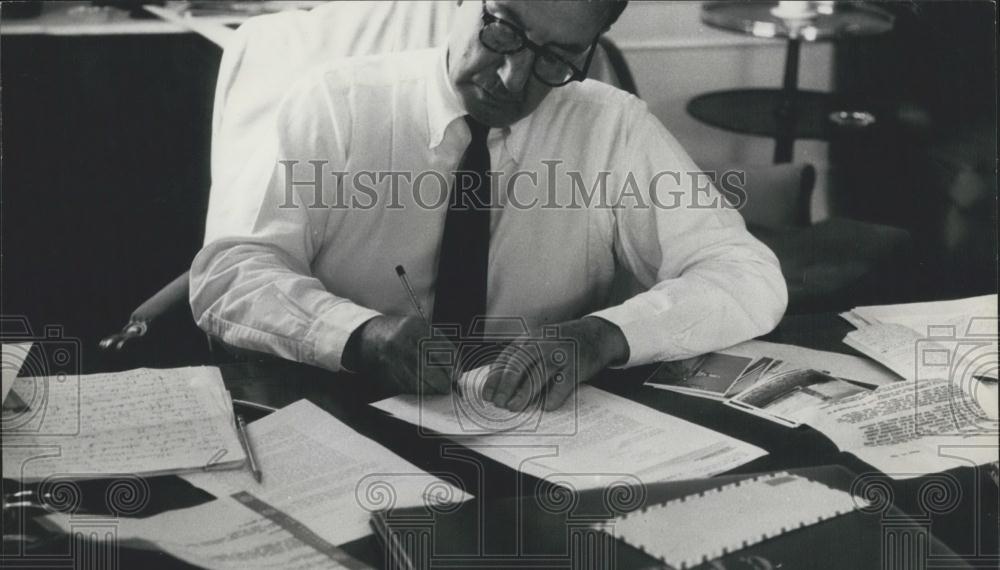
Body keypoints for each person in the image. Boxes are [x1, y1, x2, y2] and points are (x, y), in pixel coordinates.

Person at [189, 0, 787, 412]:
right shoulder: (335, 104)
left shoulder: (611, 126)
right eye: (502, 29)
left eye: (555, 58)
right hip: (343, 412)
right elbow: (230, 273)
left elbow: (746, 274)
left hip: (538, 435)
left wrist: (601, 336)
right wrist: (361, 334)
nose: (510, 75)